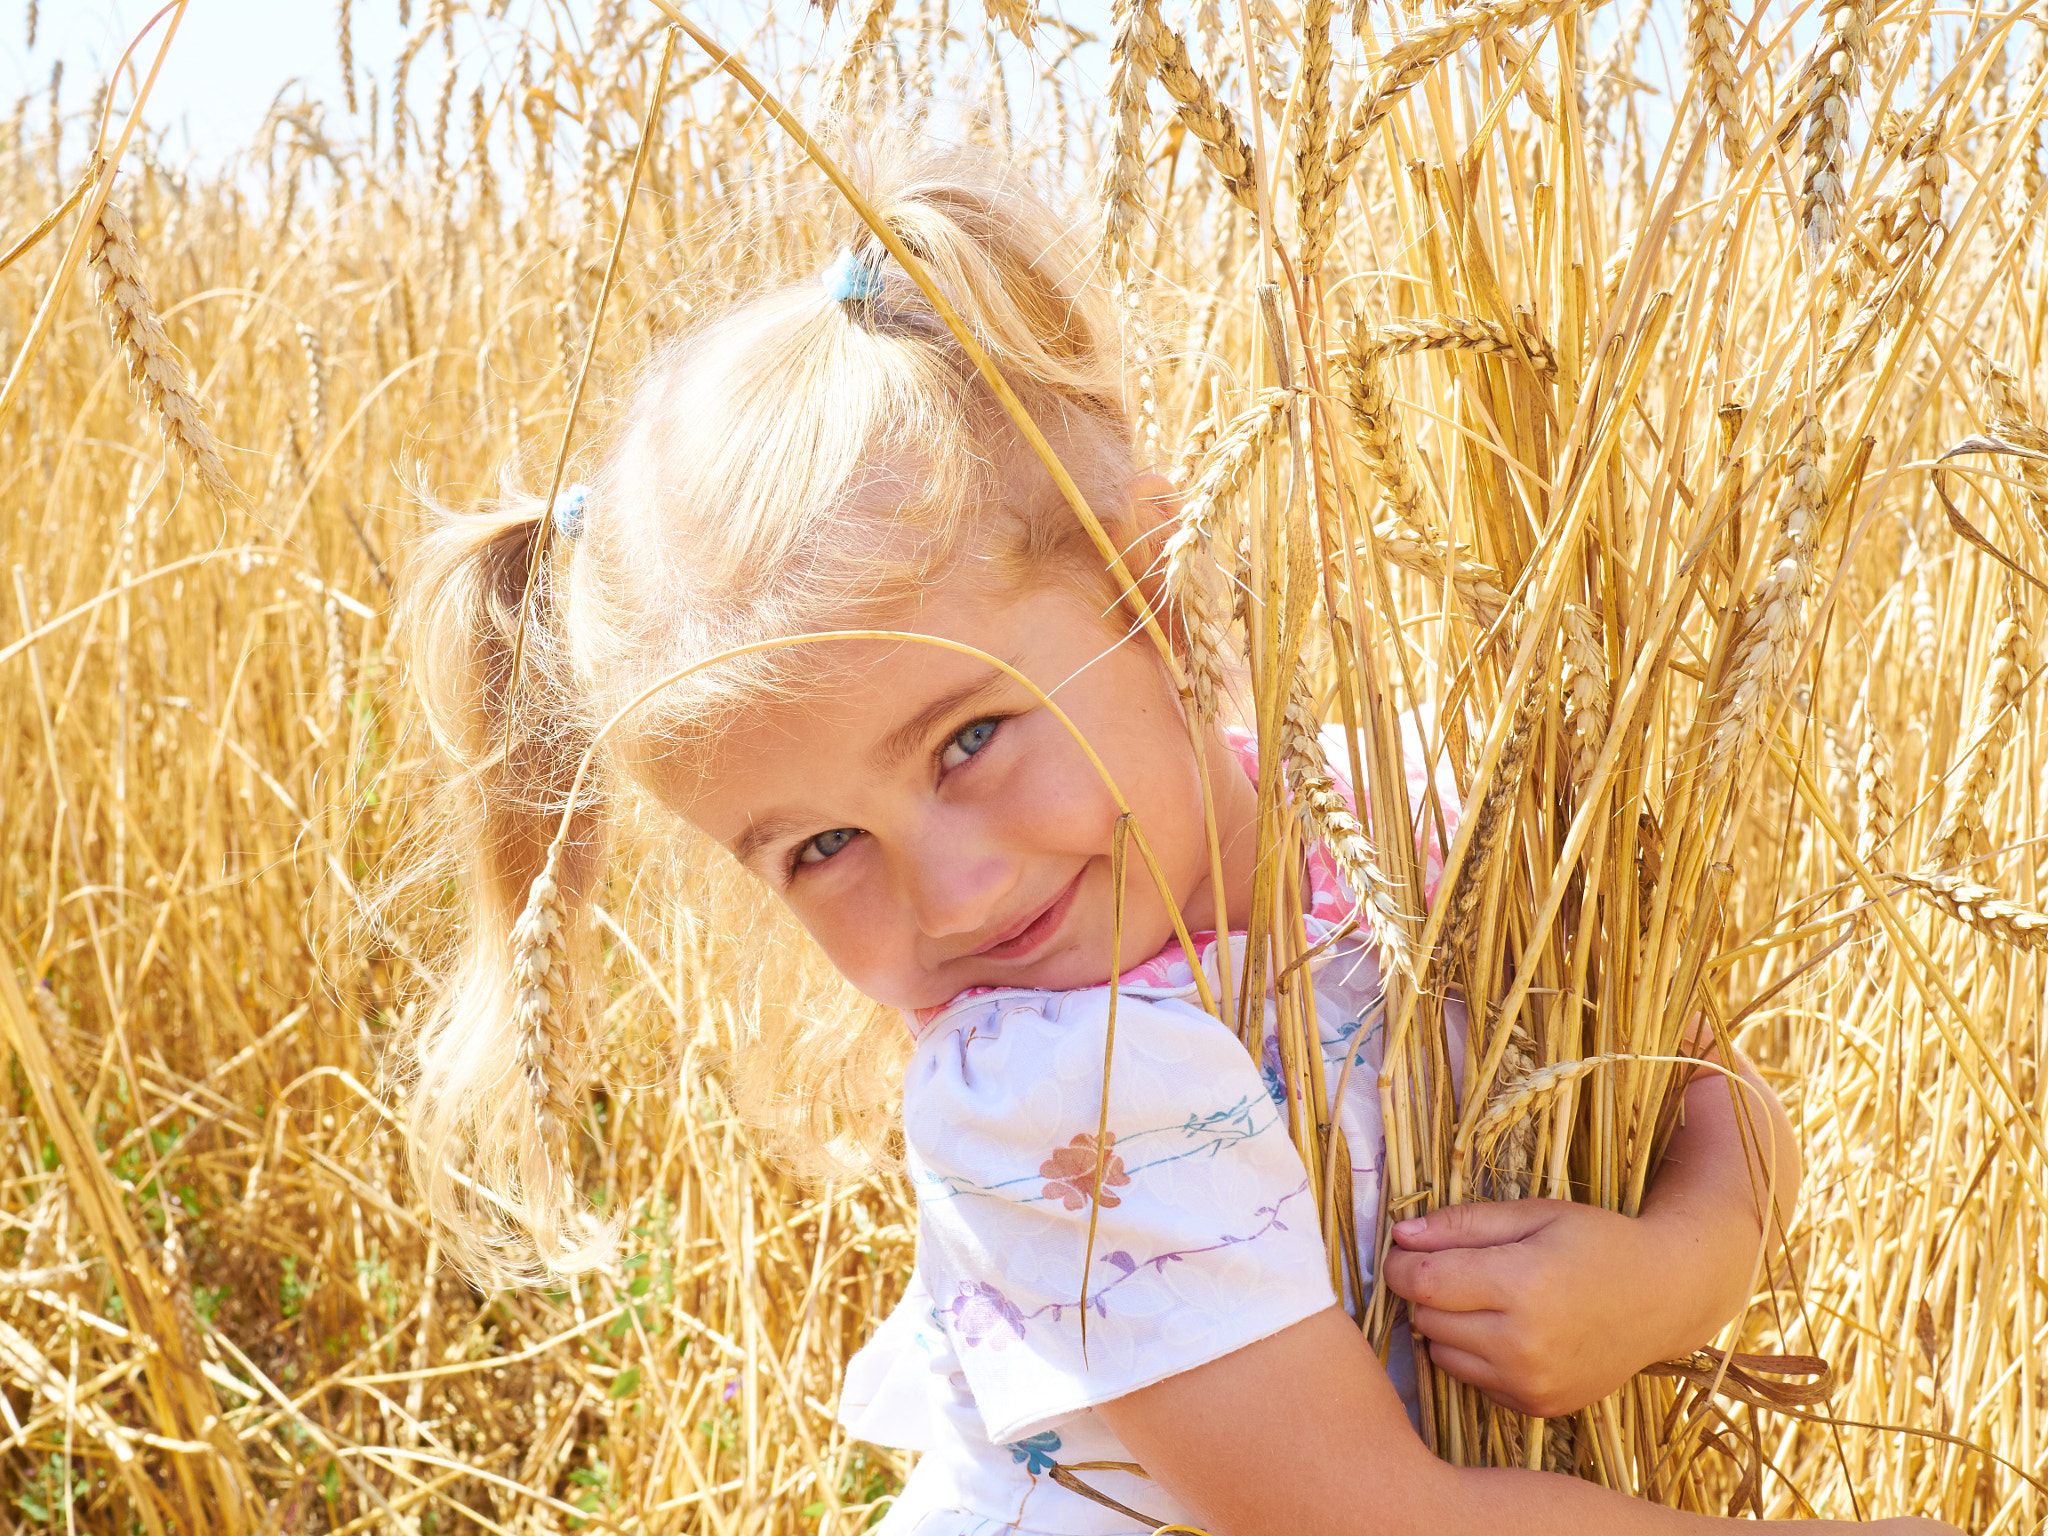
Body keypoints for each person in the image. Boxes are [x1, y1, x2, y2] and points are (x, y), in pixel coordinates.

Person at [399, 142, 1950, 1536]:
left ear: (1145, 578)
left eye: (967, 741)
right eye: (814, 851)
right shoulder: (1049, 1085)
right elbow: (1363, 1523)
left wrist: (1679, 1269)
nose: (948, 892)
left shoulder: (1419, 808)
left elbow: (1708, 1087)